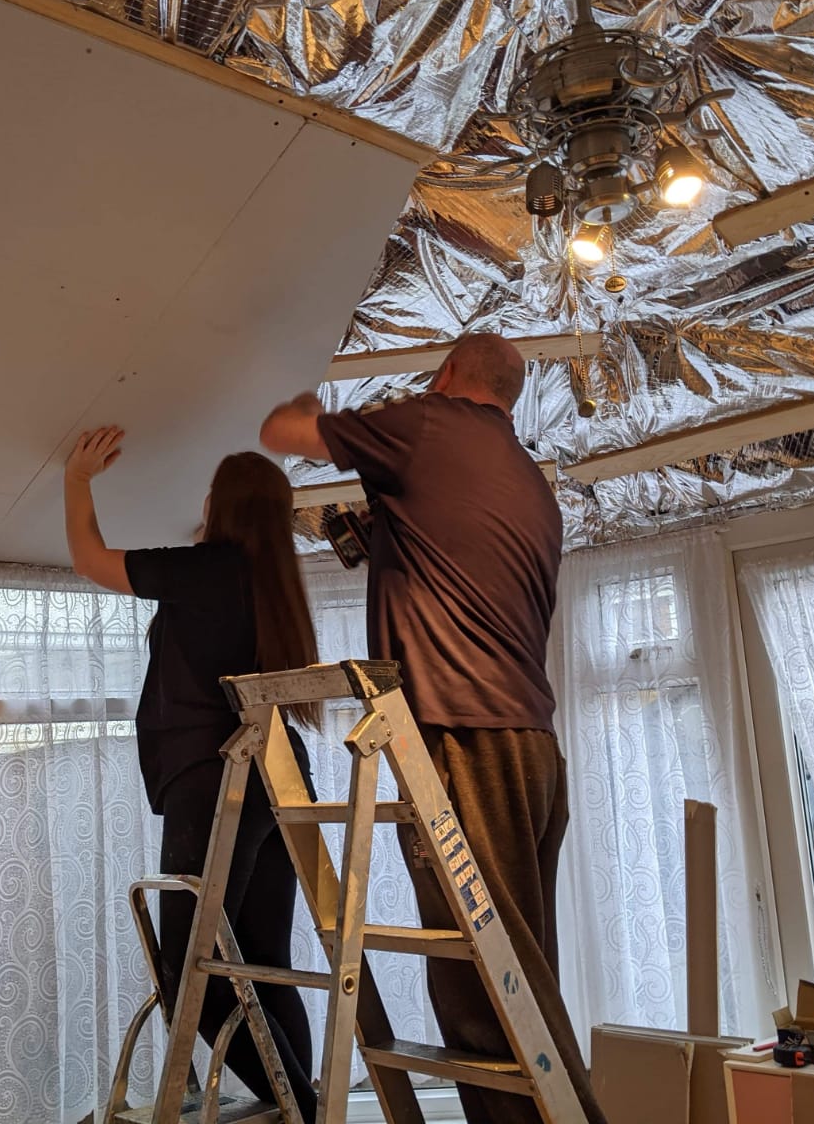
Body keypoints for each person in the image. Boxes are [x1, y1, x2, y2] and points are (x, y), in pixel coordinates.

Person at [258, 332, 606, 1124]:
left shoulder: (426, 424)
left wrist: (305, 403)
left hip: (464, 737)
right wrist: (381, 527)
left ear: (448, 374)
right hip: (533, 748)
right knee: (520, 976)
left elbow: (280, 434)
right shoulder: (526, 480)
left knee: (483, 989)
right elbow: (452, 570)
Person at [63, 427, 320, 1123]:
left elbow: (90, 560)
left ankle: (297, 1105)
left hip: (220, 780)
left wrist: (76, 478)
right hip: (277, 776)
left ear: (222, 505)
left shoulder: (207, 568)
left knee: (192, 978)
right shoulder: (272, 579)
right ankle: (307, 1106)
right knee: (264, 963)